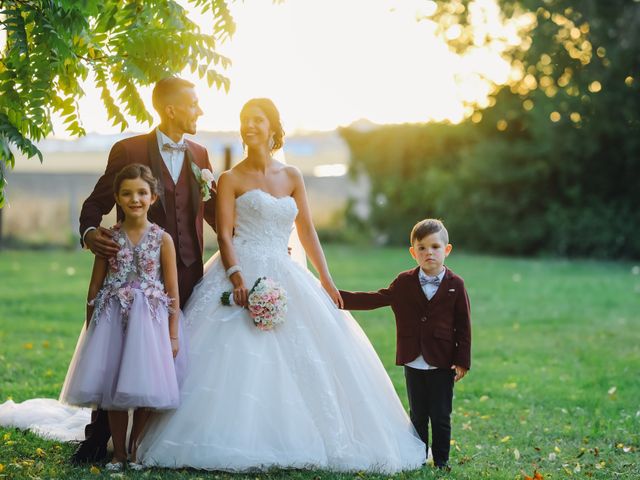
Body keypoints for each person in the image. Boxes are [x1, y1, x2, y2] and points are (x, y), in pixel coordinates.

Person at [136, 98, 426, 473]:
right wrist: (237, 276)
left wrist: (325, 277)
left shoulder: (292, 176)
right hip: (240, 268)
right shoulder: (230, 178)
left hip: (285, 269)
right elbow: (224, 234)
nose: (249, 127)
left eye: (257, 120)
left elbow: (306, 230)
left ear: (273, 128)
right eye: (244, 121)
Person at [73, 76, 216, 463]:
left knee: (165, 358)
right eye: (194, 103)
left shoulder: (201, 154)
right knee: (118, 355)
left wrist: (251, 243)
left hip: (186, 273)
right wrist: (89, 233)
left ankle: (150, 444)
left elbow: (213, 210)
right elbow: (97, 201)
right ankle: (98, 441)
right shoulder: (129, 149)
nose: (199, 110)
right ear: (171, 108)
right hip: (131, 279)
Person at [60, 164, 186, 471]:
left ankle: (133, 448)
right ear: (117, 197)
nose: (135, 199)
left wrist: (172, 334)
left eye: (142, 193)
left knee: (148, 387)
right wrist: (92, 327)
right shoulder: (108, 238)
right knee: (114, 387)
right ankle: (117, 452)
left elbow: (172, 290)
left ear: (153, 197)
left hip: (151, 325)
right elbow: (95, 285)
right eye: (127, 194)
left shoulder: (162, 239)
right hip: (112, 320)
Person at [339, 218, 472, 471]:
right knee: (418, 414)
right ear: (413, 253)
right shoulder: (404, 282)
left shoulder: (456, 285)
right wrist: (338, 297)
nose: (429, 252)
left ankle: (441, 461)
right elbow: (376, 299)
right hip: (413, 359)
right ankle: (418, 457)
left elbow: (463, 326)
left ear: (447, 250)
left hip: (443, 362)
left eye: (435, 246)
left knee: (441, 416)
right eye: (422, 248)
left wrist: (462, 360)